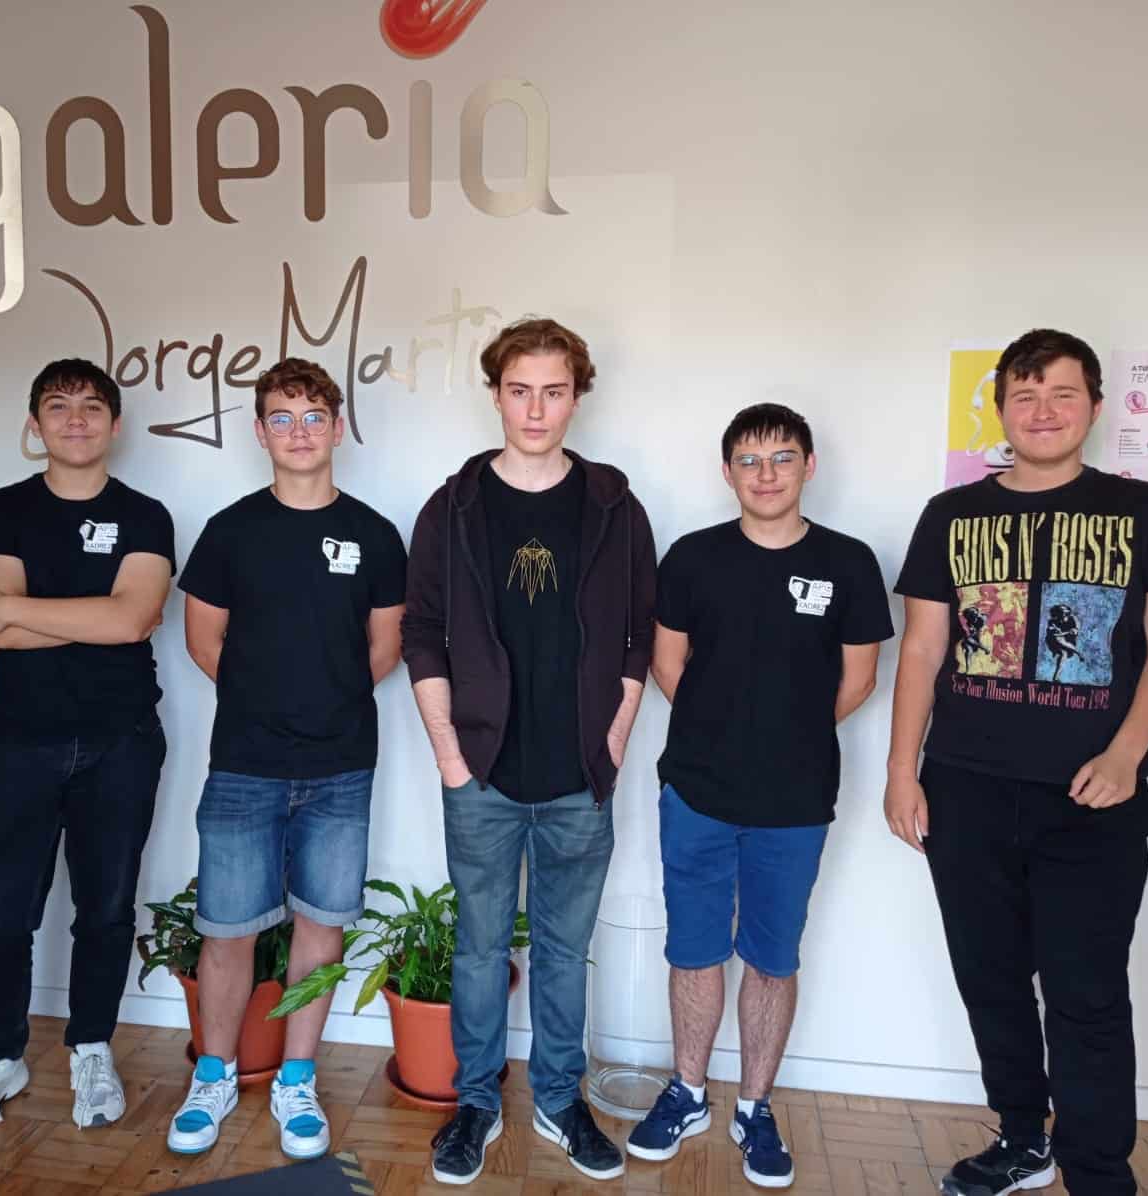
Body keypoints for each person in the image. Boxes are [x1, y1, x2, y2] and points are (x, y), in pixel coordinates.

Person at [887, 330, 1148, 1196]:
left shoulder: (1145, 512)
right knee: (989, 979)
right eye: (1024, 396)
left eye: (1062, 394)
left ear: (1094, 406)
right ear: (1000, 411)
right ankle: (1024, 1138)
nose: (1043, 412)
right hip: (965, 788)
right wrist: (902, 770)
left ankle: (1097, 1172)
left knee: (1085, 991)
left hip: (1093, 796)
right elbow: (923, 650)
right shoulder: (951, 516)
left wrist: (1126, 754)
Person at [402, 317, 657, 1185]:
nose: (536, 409)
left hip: (579, 776)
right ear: (496, 396)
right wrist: (450, 757)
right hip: (481, 773)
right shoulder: (453, 507)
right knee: (479, 949)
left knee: (561, 950)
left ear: (577, 396)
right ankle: (476, 1104)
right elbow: (423, 633)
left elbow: (638, 637)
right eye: (520, 391)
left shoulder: (615, 507)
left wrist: (611, 742)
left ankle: (557, 1101)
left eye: (553, 391)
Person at [628, 403, 892, 1187]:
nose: (765, 474)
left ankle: (754, 1106)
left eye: (781, 458)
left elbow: (859, 679)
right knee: (694, 949)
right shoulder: (693, 557)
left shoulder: (848, 562)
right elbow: (666, 663)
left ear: (809, 466)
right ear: (727, 472)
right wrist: (722, 733)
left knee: (772, 957)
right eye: (749, 460)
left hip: (796, 798)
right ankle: (687, 1092)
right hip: (697, 790)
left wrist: (784, 736)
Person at [167, 358, 406, 1159]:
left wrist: (325, 703)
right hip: (245, 764)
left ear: (337, 428)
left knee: (322, 928)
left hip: (342, 766)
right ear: (260, 432)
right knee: (227, 931)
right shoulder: (231, 530)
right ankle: (213, 1075)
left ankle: (297, 1079)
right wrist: (269, 704)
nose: (298, 432)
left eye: (312, 417)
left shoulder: (375, 534)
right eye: (282, 417)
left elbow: (386, 646)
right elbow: (204, 641)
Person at [0, 359, 176, 1137]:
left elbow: (131, 620)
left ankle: (91, 1046)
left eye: (92, 406)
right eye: (58, 406)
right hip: (18, 740)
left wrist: (24, 608)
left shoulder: (145, 516)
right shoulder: (0, 510)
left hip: (121, 740)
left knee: (105, 909)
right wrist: (90, 615)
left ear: (115, 424)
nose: (77, 420)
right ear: (34, 425)